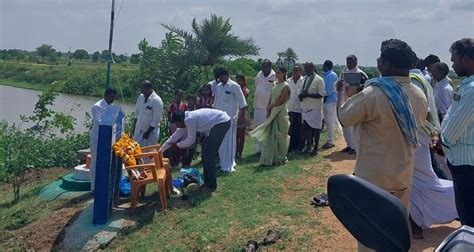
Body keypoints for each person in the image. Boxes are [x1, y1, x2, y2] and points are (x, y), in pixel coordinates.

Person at [338, 39, 427, 251]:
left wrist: (342, 92)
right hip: (403, 178)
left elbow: (344, 117)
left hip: (373, 181)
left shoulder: (374, 94)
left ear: (386, 64)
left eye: (380, 58)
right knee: (394, 237)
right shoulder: (419, 95)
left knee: (370, 240)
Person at [408, 66, 457, 239]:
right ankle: (415, 221)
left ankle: (458, 202)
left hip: (416, 140)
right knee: (416, 183)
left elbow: (422, 115)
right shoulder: (420, 80)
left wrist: (435, 135)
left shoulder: (412, 82)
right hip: (421, 137)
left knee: (426, 182)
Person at [437, 38, 474, 227]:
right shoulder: (467, 85)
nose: (452, 64)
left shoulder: (472, 90)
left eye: (455, 60)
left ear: (467, 60)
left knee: (469, 219)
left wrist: (441, 140)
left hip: (466, 165)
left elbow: (453, 131)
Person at [160, 109, 231, 192]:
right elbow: (173, 138)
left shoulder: (189, 120)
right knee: (205, 151)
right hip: (216, 124)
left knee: (208, 154)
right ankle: (207, 183)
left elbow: (190, 140)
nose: (178, 126)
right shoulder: (184, 122)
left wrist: (177, 145)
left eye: (178, 124)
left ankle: (211, 186)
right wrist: (160, 151)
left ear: (182, 120)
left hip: (221, 122)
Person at [250, 66, 290, 165]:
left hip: (280, 113)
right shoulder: (275, 84)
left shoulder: (286, 86)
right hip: (272, 112)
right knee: (271, 135)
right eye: (276, 72)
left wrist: (271, 106)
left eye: (279, 72)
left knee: (281, 136)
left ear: (284, 74)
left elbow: (282, 100)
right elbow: (271, 97)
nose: (277, 74)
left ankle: (280, 157)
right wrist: (268, 109)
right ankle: (270, 158)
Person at [213, 68, 247, 172]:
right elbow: (215, 103)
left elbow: (243, 104)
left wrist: (241, 117)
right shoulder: (218, 87)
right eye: (219, 77)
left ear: (227, 75)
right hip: (219, 118)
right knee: (221, 142)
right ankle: (223, 162)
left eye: (222, 77)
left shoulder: (234, 86)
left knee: (230, 141)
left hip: (231, 118)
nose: (221, 79)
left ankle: (229, 164)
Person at [336, 55, 368, 155]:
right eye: (347, 62)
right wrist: (339, 85)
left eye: (350, 63)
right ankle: (349, 145)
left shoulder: (361, 74)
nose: (348, 65)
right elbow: (336, 86)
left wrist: (357, 87)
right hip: (344, 100)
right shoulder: (343, 73)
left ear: (355, 62)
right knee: (345, 124)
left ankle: (354, 147)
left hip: (355, 102)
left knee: (354, 125)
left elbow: (366, 87)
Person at [90, 88, 118, 191]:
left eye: (114, 97)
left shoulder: (112, 106)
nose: (113, 99)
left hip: (108, 137)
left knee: (107, 161)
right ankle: (93, 187)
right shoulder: (97, 107)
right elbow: (99, 122)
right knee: (96, 161)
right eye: (111, 97)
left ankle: (104, 184)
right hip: (97, 137)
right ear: (106, 95)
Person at [299, 62, 326, 155]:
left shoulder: (319, 79)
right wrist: (301, 96)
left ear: (312, 68)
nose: (306, 69)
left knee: (316, 129)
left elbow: (321, 94)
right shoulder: (304, 79)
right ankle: (308, 147)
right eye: (305, 68)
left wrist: (308, 95)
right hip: (305, 108)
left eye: (308, 68)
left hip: (315, 108)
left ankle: (315, 148)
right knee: (307, 129)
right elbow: (301, 91)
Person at [253, 59, 276, 154]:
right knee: (258, 127)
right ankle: (259, 148)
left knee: (267, 127)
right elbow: (256, 86)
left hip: (268, 107)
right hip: (257, 105)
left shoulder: (274, 75)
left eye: (265, 66)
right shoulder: (259, 74)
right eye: (262, 66)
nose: (263, 68)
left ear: (270, 66)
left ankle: (267, 148)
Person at [134, 80, 164, 148]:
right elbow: (137, 113)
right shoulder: (141, 97)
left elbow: (156, 119)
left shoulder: (157, 100)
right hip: (138, 130)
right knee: (136, 152)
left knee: (147, 153)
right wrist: (135, 126)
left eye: (143, 89)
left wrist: (148, 132)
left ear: (149, 88)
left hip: (150, 133)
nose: (141, 91)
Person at [287, 64, 305, 153]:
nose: (295, 72)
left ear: (300, 72)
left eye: (297, 70)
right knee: (291, 130)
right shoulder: (288, 81)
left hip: (300, 109)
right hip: (290, 109)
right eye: (294, 70)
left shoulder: (304, 80)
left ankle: (300, 147)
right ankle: (290, 147)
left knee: (300, 129)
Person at [167, 89, 187, 168]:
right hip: (173, 125)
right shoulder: (171, 106)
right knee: (172, 144)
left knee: (180, 143)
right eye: (177, 95)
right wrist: (169, 126)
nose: (178, 97)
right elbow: (169, 117)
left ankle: (178, 162)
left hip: (181, 125)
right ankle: (172, 162)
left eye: (180, 96)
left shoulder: (184, 105)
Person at [321, 60, 339, 150]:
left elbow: (328, 90)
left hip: (330, 101)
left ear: (326, 66)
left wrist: (321, 94)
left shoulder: (332, 75)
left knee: (331, 121)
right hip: (325, 101)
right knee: (327, 121)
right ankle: (329, 140)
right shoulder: (326, 75)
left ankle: (331, 141)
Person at [180, 94, 198, 166]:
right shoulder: (184, 109)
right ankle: (184, 163)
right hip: (185, 130)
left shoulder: (197, 110)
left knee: (192, 147)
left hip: (193, 130)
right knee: (183, 146)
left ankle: (188, 162)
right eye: (189, 100)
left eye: (192, 100)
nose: (190, 102)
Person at [235, 74, 250, 159]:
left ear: (243, 81)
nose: (238, 82)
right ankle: (235, 151)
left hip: (242, 113)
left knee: (241, 135)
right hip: (235, 112)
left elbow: (243, 104)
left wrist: (241, 116)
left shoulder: (245, 90)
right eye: (237, 80)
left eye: (239, 80)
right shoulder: (235, 89)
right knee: (236, 135)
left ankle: (240, 152)